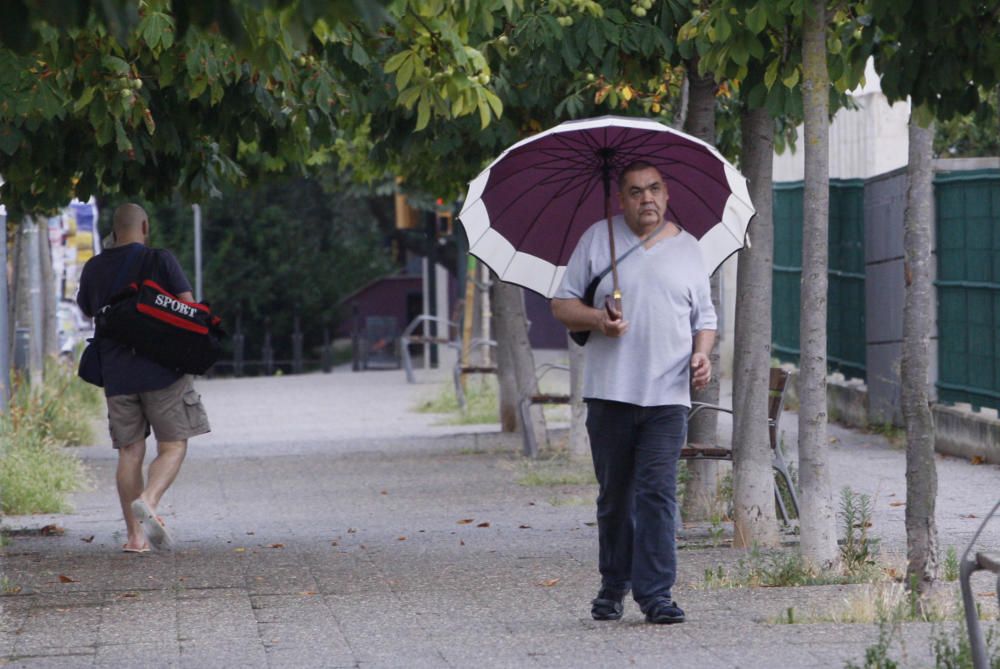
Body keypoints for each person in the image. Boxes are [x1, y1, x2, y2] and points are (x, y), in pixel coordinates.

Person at [550, 161, 716, 624]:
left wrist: (702, 355)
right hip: (610, 394)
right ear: (620, 199)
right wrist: (599, 320)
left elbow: (705, 319)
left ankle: (657, 594)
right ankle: (613, 583)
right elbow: (561, 304)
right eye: (636, 191)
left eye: (655, 189)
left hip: (667, 397)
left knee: (658, 494)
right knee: (615, 497)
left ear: (666, 195)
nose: (647, 198)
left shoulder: (689, 249)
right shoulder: (596, 239)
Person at [77, 203, 210, 553]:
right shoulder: (159, 260)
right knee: (174, 445)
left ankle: (135, 538)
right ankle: (149, 501)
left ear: (114, 230)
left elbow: (87, 309)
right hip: (163, 370)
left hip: (117, 373)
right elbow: (189, 308)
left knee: (129, 452)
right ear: (145, 226)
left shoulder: (93, 267)